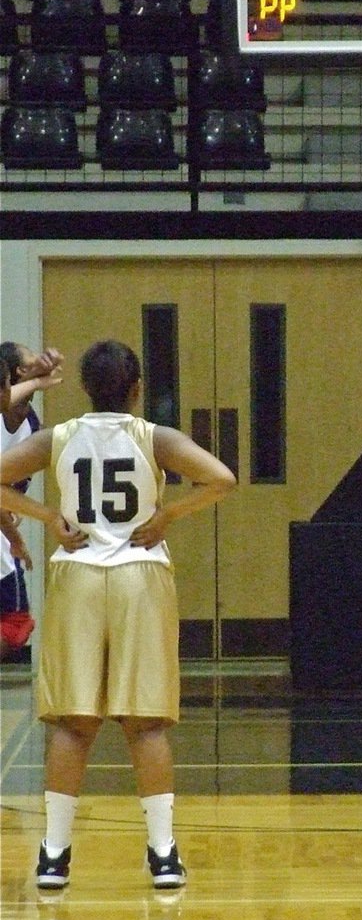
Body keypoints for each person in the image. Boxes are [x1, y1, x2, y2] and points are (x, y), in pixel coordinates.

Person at [0, 339, 236, 890]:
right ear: (136, 388)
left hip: (77, 576)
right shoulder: (155, 436)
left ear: (85, 387)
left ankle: (55, 856)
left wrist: (44, 516)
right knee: (145, 723)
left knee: (74, 723)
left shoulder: (56, 437)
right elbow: (222, 478)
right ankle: (163, 855)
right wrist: (169, 514)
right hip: (138, 576)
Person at [0, 343, 65, 658]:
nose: (44, 362)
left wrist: (13, 512)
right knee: (13, 623)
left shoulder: (32, 424)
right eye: (32, 363)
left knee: (15, 624)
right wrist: (17, 539)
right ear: (15, 375)